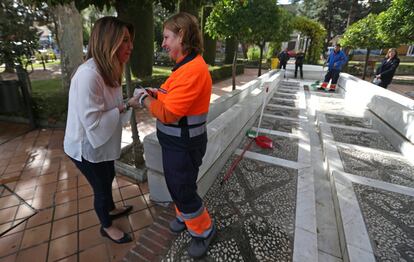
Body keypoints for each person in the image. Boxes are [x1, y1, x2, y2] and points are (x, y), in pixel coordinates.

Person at [129, 12, 215, 258]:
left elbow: (169, 114)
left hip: (184, 145)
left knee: (183, 189)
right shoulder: (184, 67)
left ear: (182, 36)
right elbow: (170, 95)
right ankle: (183, 215)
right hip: (177, 144)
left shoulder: (192, 70)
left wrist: (144, 100)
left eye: (167, 37)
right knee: (178, 185)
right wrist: (155, 92)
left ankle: (204, 230)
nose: (164, 43)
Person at [63, 17, 136, 244]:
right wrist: (127, 104)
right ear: (108, 42)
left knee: (109, 175)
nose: (131, 46)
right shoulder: (88, 75)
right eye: (124, 40)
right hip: (85, 147)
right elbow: (93, 122)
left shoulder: (110, 69)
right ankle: (106, 226)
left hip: (100, 142)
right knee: (101, 187)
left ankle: (111, 209)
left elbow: (109, 107)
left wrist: (128, 102)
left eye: (130, 40)